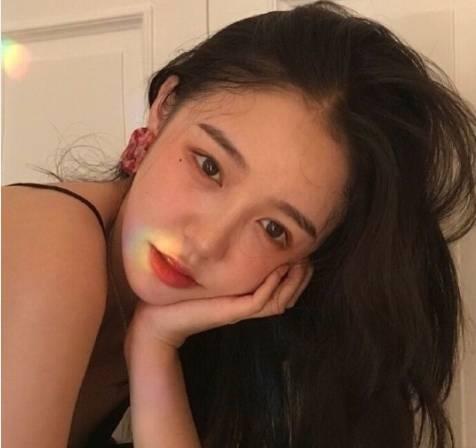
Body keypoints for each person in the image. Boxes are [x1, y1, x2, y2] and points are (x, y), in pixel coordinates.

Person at [3, 1, 476, 447]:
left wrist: (153, 347)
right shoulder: (52, 242)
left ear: (302, 265)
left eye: (273, 229)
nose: (207, 242)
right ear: (165, 106)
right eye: (209, 166)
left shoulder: (193, 336)